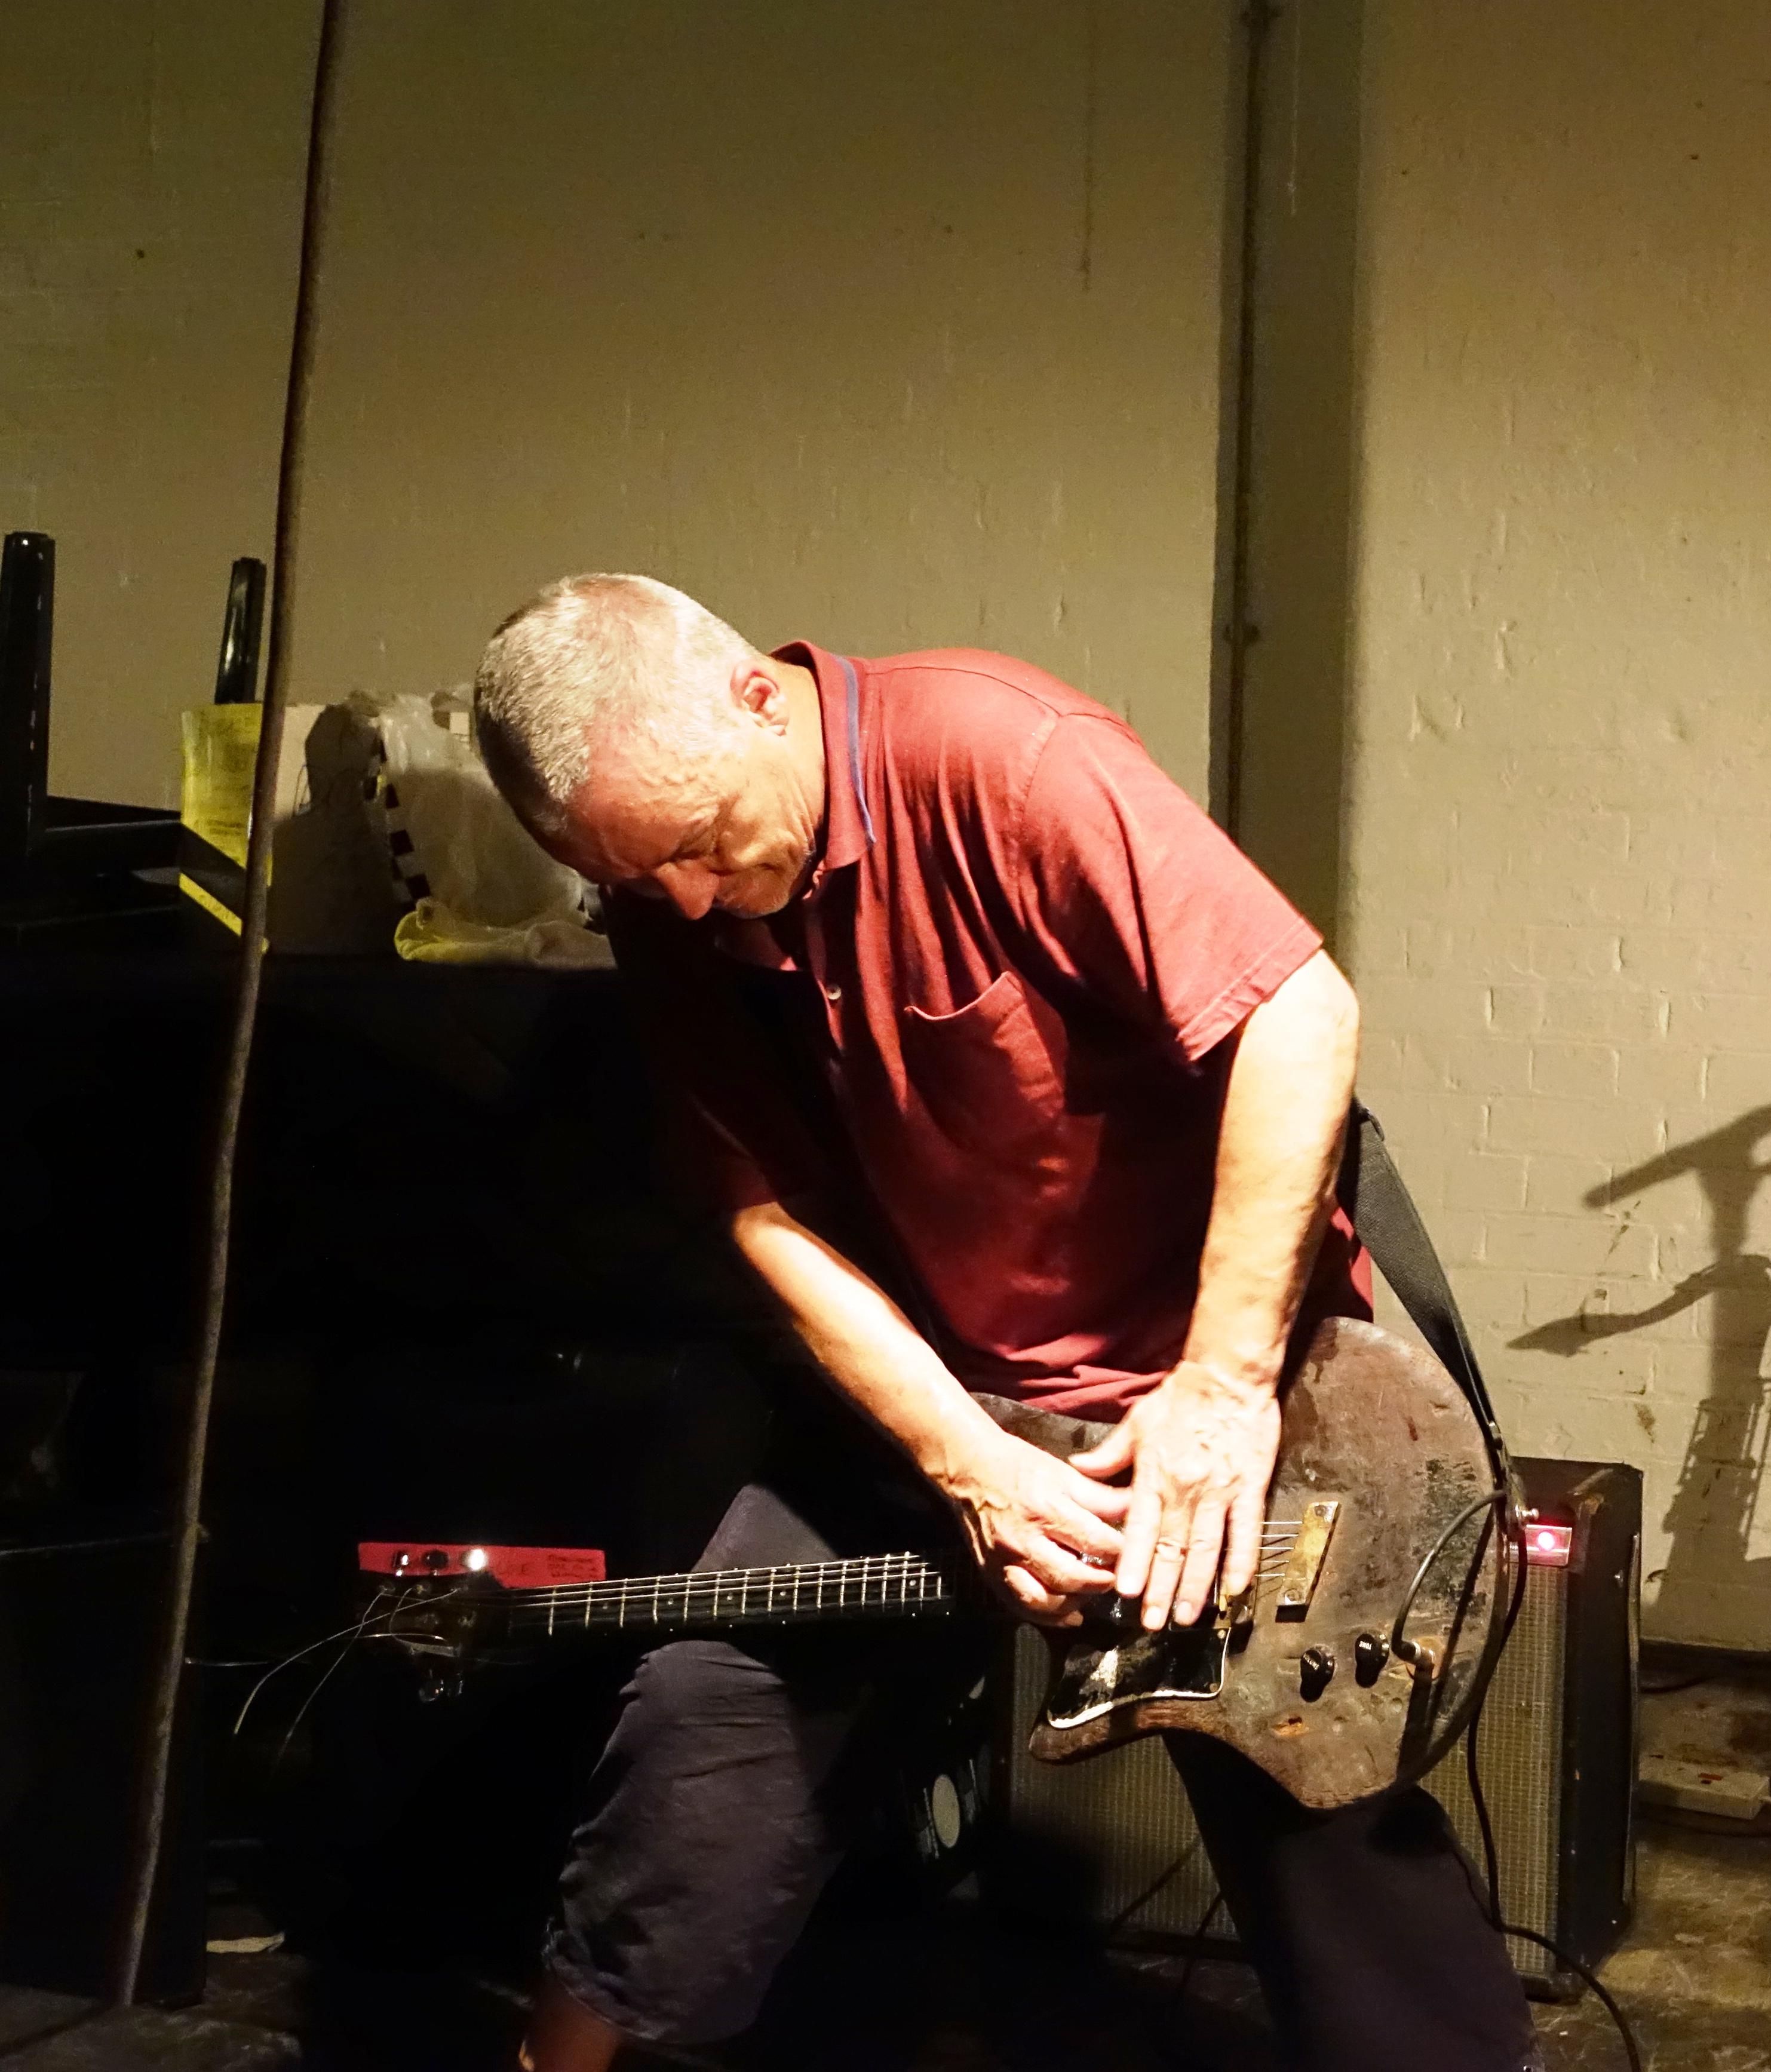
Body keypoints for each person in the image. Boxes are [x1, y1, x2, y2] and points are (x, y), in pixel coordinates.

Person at [467, 575, 1530, 2072]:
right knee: (705, 1723)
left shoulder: (999, 754)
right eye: (642, 882)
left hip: (1196, 1393)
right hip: (937, 1398)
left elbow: (1299, 1014)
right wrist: (962, 1454)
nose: (691, 903)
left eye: (700, 844)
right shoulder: (676, 905)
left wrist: (1222, 1393)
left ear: (758, 696)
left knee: (1321, 1804)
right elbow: (767, 1215)